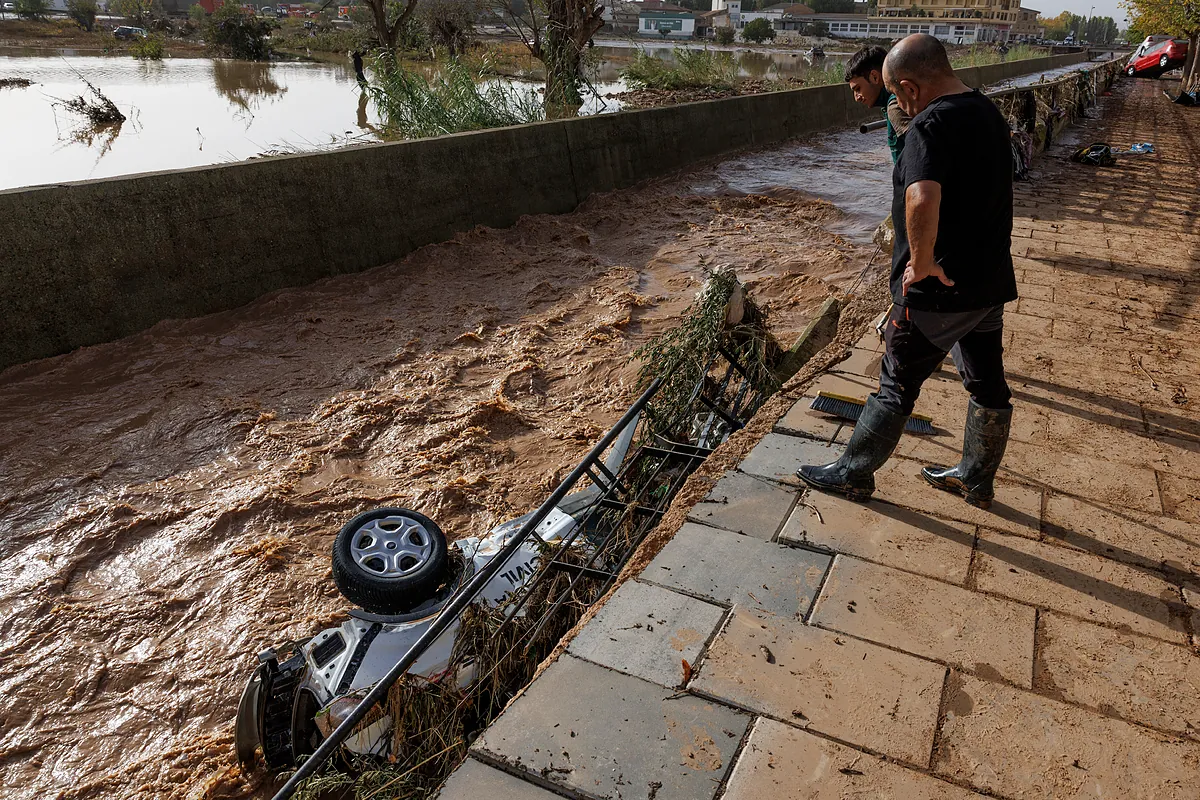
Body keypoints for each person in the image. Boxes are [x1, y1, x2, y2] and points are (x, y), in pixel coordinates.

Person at [797, 33, 1018, 510]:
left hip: (938, 289)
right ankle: (977, 479)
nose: (898, 103)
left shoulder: (930, 126)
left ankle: (853, 473)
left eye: (897, 94)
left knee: (895, 380)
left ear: (910, 87)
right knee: (986, 381)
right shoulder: (987, 111)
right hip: (989, 281)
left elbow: (922, 195)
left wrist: (920, 264)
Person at [845, 45, 911, 163]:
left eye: (858, 89)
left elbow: (923, 147)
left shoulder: (895, 107)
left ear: (875, 77)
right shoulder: (904, 97)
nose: (856, 98)